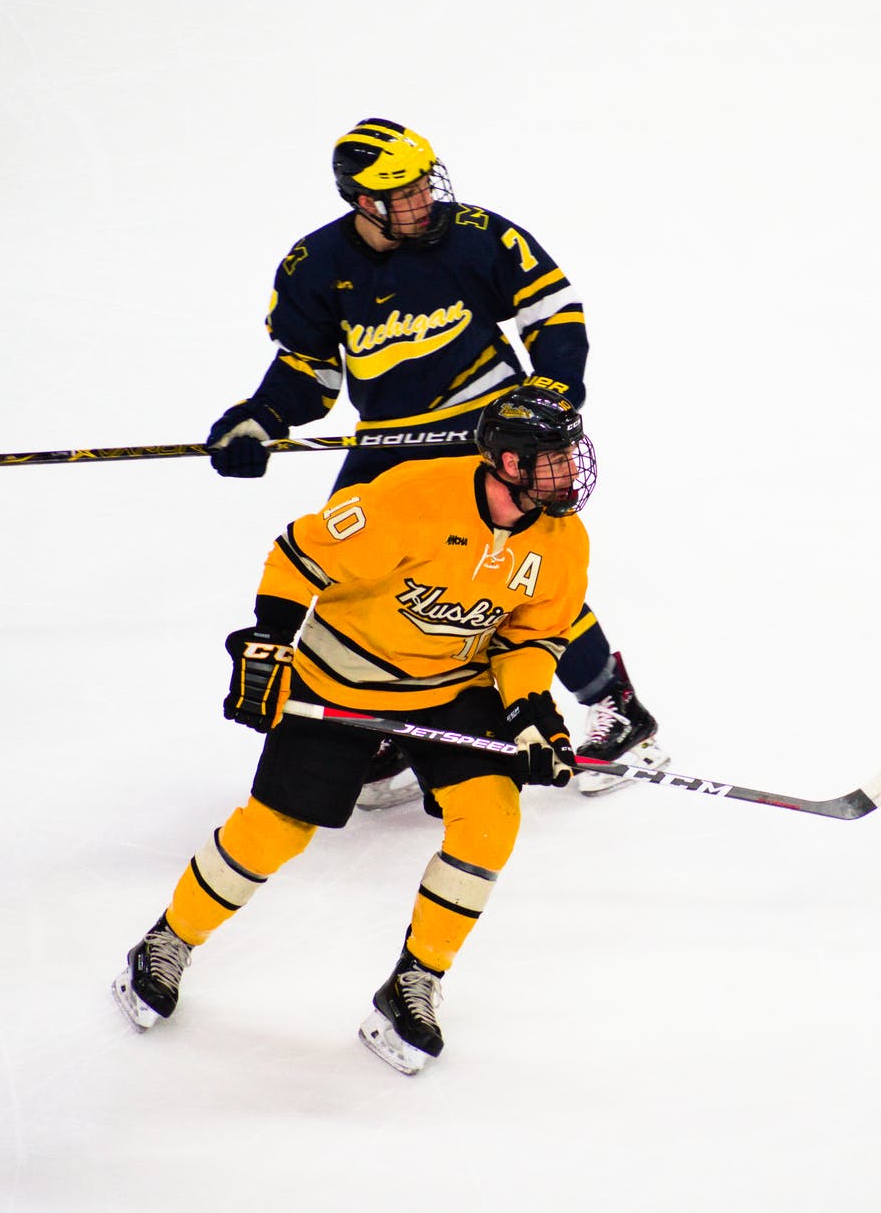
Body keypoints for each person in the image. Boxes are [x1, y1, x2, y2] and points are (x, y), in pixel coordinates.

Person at [114, 388, 596, 1074]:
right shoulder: (409, 496)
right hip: (342, 678)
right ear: (508, 461)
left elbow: (531, 636)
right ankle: (169, 940)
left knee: (491, 818)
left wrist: (531, 713)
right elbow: (295, 555)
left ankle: (414, 983)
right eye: (553, 460)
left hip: (448, 687)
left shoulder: (562, 541)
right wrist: (270, 642)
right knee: (276, 828)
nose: (570, 472)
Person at [202, 116, 662, 805]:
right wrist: (263, 417)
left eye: (425, 183)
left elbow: (555, 313)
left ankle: (615, 707)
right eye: (404, 193)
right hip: (392, 442)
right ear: (362, 202)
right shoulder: (316, 266)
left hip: (493, 430)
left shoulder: (478, 236)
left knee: (522, 569)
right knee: (352, 570)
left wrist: (555, 390)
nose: (425, 200)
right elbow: (310, 370)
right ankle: (395, 724)